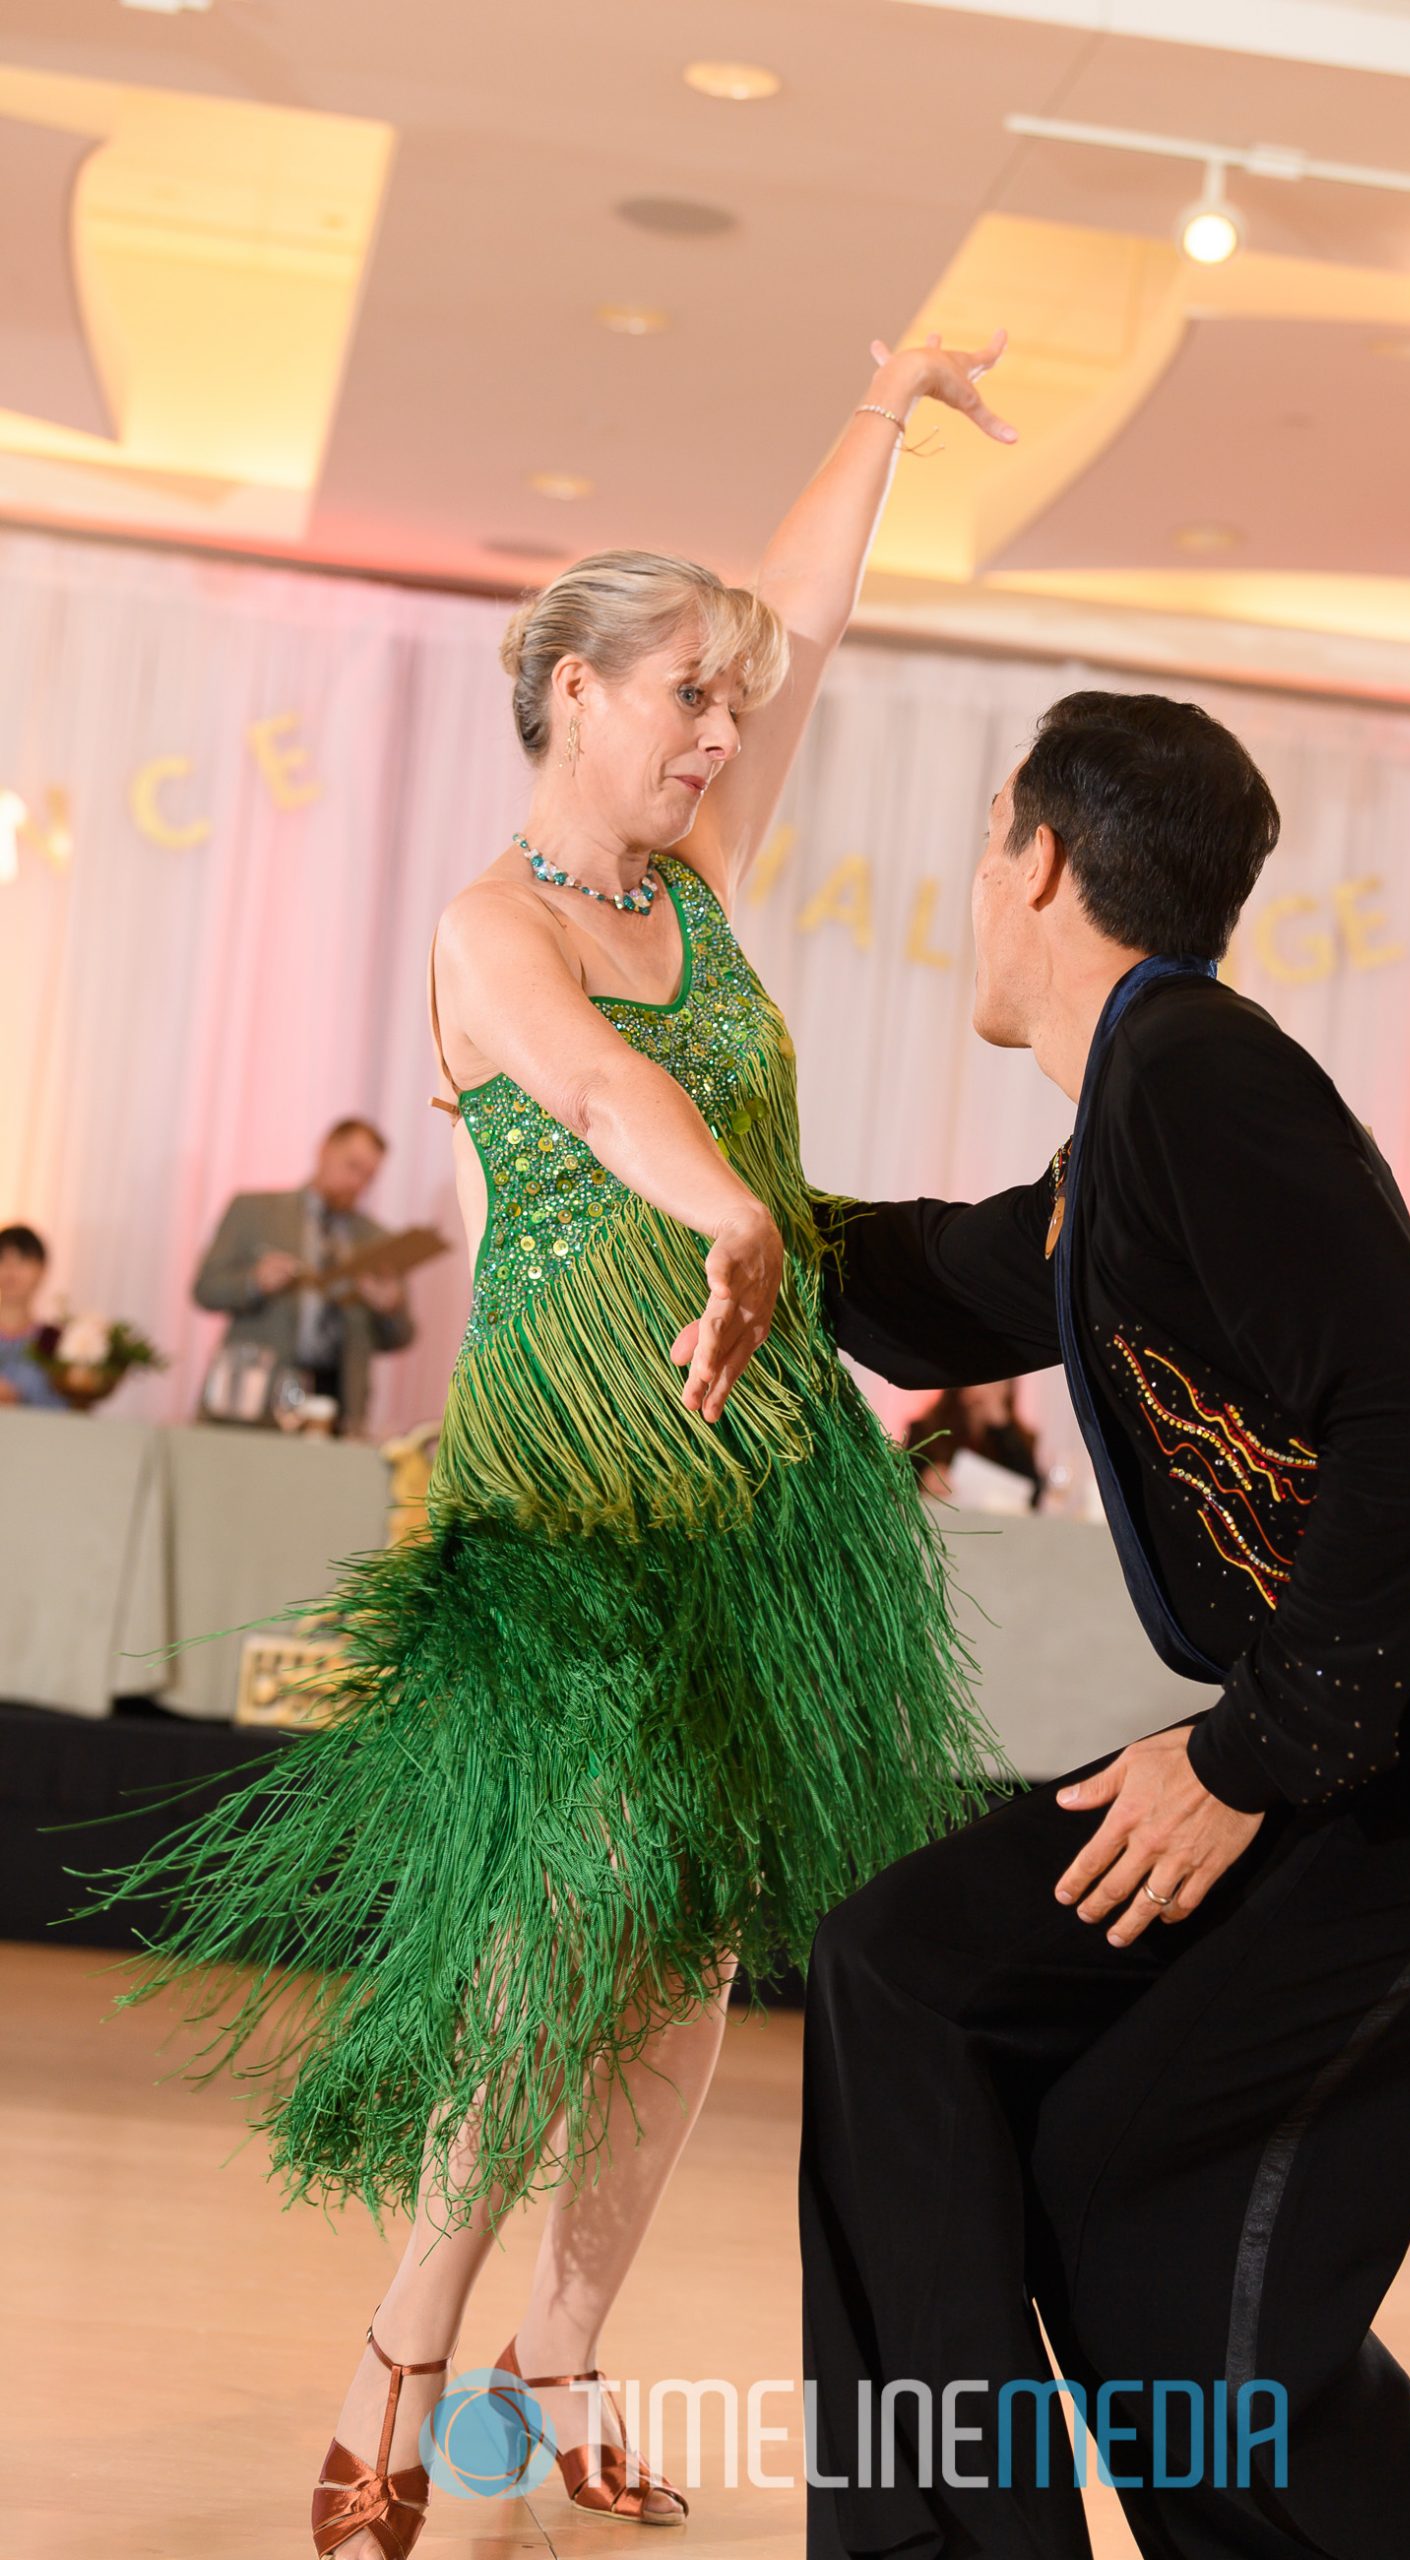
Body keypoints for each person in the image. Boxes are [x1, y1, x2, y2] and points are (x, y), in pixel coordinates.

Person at [52, 330, 1021, 2560]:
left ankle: (550, 2361)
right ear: (569, 691)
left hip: (748, 1492)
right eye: (680, 694)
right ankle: (400, 2349)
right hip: (572, 1504)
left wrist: (870, 404)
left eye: (721, 700)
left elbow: (813, 623)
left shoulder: (703, 881)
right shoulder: (487, 927)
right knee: (549, 1943)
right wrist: (721, 1214)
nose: (714, 728)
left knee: (683, 1964)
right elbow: (605, 1099)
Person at [798, 691, 1410, 2560]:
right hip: (1382, 1738)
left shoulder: (1199, 1074)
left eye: (983, 843)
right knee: (913, 1978)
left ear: (1038, 857)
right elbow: (939, 1287)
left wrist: (1241, 1757)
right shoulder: (1138, 1116)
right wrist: (697, 1203)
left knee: (1165, 2263)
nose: (975, 881)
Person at [191, 1118, 416, 1435]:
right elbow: (205, 1290)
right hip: (255, 1398)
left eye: (368, 1177)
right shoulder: (254, 1212)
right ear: (325, 1150)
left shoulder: (377, 1239)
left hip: (336, 1404)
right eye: (352, 1166)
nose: (357, 1183)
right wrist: (254, 1282)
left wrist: (389, 1307)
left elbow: (401, 1336)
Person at [905, 1379, 1044, 1505]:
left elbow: (1032, 1493)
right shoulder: (926, 1429)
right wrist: (924, 1479)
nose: (988, 1389)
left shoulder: (1021, 1439)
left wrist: (1001, 1425)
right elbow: (904, 1478)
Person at [0, 1222, 67, 1411]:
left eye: (22, 1260)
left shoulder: (55, 1341)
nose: (10, 1269)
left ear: (42, 1270)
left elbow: (65, 1410)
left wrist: (18, 1399)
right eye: (2, 1259)